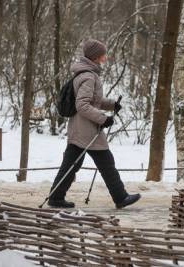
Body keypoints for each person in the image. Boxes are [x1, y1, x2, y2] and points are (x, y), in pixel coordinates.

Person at [48, 39, 141, 209]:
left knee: (72, 164)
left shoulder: (84, 74)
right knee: (106, 162)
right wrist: (103, 118)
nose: (106, 56)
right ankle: (120, 197)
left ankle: (56, 197)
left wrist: (111, 104)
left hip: (80, 128)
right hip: (87, 130)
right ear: (96, 57)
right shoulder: (89, 76)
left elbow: (92, 100)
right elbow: (82, 105)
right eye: (104, 54)